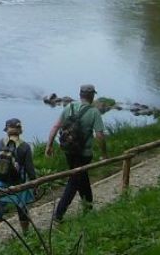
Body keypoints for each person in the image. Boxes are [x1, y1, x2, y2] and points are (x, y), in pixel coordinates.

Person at [45, 84, 107, 224]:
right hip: (84, 153)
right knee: (75, 180)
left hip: (68, 150)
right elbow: (100, 135)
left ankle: (89, 208)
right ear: (91, 96)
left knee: (81, 178)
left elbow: (56, 126)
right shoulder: (94, 112)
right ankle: (58, 214)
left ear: (80, 95)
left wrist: (49, 145)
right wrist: (104, 154)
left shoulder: (69, 107)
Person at [0, 117, 37, 240]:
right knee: (22, 209)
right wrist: (34, 183)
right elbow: (30, 168)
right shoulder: (25, 146)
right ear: (20, 130)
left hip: (1, 181)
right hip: (19, 183)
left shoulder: (1, 142)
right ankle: (26, 234)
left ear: (7, 130)